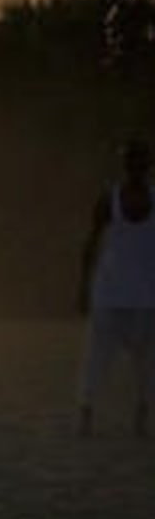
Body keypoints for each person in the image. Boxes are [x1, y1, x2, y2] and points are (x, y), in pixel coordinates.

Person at [75, 136, 155, 437]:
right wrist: (83, 286)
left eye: (140, 160)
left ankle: (143, 412)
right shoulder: (109, 199)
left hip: (147, 294)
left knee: (147, 362)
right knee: (97, 357)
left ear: (148, 165)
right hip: (109, 291)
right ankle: (86, 412)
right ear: (124, 164)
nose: (135, 166)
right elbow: (91, 243)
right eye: (130, 160)